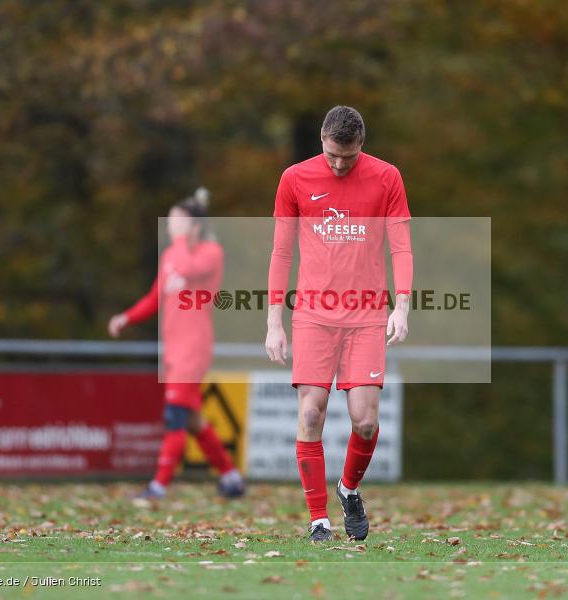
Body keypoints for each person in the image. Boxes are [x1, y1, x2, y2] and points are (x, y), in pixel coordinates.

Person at [265, 106, 413, 542]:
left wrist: (400, 306)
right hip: (313, 314)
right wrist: (275, 322)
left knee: (364, 421)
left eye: (347, 158)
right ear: (322, 142)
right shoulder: (294, 179)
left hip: (367, 315)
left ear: (360, 145)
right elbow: (281, 254)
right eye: (331, 155)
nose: (338, 165)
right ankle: (317, 519)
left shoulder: (387, 178)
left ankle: (349, 490)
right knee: (311, 412)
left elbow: (401, 248)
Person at [109, 188, 245, 499]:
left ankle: (158, 486)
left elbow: (188, 268)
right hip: (174, 349)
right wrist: (126, 317)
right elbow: (155, 298)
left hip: (193, 347)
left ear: (194, 226)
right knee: (194, 420)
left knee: (175, 415)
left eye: (177, 222)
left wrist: (184, 237)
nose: (171, 227)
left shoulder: (210, 252)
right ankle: (232, 478)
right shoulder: (171, 254)